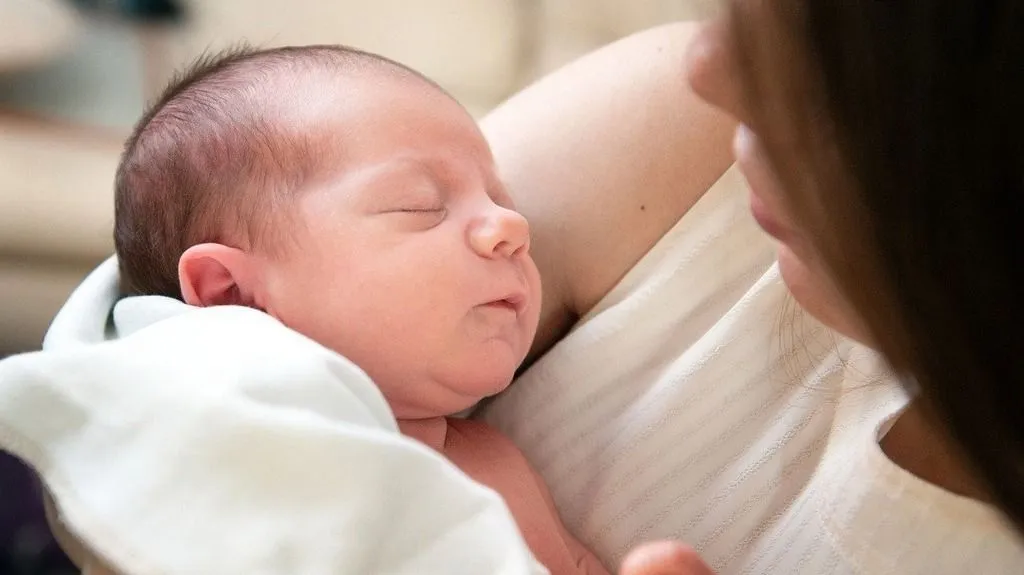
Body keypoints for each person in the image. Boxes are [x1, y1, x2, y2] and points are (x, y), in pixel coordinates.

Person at [112, 44, 611, 575]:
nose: (512, 229)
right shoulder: (244, 470)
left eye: (502, 203)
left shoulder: (499, 462)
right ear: (233, 294)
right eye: (420, 205)